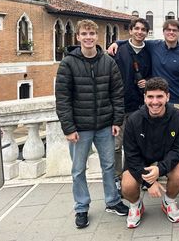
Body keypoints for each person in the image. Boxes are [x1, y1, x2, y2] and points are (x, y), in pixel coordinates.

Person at [55, 19, 128, 229]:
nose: (88, 38)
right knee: (78, 170)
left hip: (105, 125)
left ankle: (112, 201)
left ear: (98, 37)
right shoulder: (68, 63)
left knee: (109, 166)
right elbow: (62, 98)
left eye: (92, 34)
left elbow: (117, 94)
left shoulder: (108, 62)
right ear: (77, 37)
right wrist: (68, 128)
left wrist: (117, 121)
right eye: (84, 34)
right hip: (80, 128)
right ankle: (81, 207)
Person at [121, 77, 179, 228]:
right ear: (144, 98)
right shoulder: (133, 120)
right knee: (127, 185)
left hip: (164, 157)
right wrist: (149, 182)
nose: (154, 102)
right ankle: (136, 205)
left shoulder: (178, 118)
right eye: (150, 96)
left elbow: (177, 150)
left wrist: (160, 169)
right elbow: (131, 155)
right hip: (141, 159)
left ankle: (168, 202)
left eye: (159, 96)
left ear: (167, 97)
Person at [108, 19, 179, 115]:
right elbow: (135, 41)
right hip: (155, 101)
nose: (171, 32)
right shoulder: (154, 46)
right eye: (168, 30)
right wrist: (117, 43)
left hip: (177, 102)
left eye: (174, 30)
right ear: (163, 32)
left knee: (175, 130)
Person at [112, 17, 152, 180]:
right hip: (119, 106)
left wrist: (147, 82)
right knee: (116, 146)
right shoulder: (118, 50)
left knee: (138, 144)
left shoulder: (148, 52)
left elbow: (152, 76)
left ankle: (135, 175)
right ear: (130, 30)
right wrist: (118, 42)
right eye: (137, 29)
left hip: (140, 108)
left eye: (143, 30)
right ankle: (116, 177)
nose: (139, 32)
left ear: (146, 33)